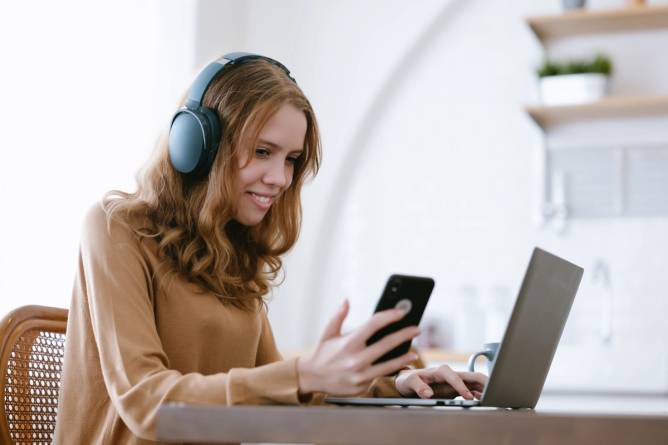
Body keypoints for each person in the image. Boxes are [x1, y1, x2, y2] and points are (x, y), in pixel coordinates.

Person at [53, 53, 487, 444]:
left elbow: (281, 394)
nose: (280, 178)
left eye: (291, 159)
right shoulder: (117, 229)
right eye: (264, 151)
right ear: (197, 145)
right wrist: (302, 373)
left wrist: (401, 386)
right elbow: (147, 404)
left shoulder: (233, 252)